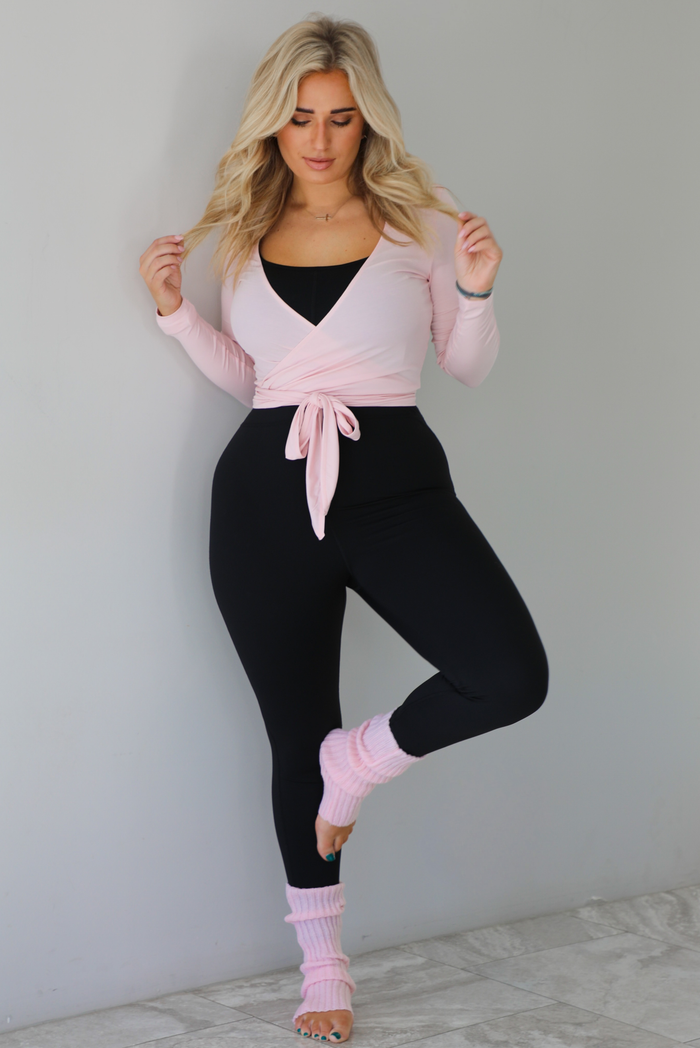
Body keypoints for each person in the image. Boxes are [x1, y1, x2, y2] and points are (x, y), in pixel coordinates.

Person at [139, 14, 548, 1043]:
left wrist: (478, 286)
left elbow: (464, 365)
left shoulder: (419, 229)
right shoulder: (239, 239)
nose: (318, 140)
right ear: (271, 128)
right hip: (262, 503)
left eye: (340, 119)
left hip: (397, 486)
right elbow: (257, 382)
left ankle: (356, 761)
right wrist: (178, 317)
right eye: (298, 120)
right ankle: (323, 970)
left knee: (507, 673)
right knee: (291, 734)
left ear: (369, 123)